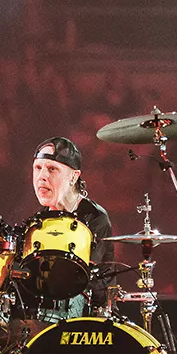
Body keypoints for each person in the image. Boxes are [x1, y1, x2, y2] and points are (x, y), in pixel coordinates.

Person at [23, 136, 114, 319]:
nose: (42, 177)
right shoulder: (37, 222)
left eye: (52, 169)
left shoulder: (94, 218)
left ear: (74, 176)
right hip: (46, 314)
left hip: (88, 318)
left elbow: (79, 279)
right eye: (38, 168)